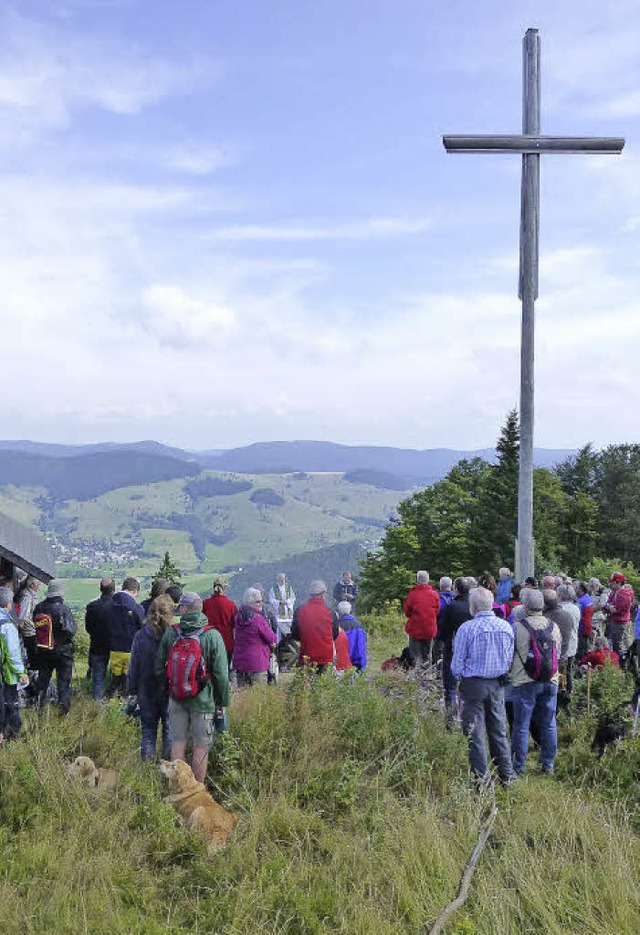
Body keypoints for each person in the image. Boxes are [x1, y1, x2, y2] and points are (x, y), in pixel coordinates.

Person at [155, 593, 229, 783]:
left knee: (177, 744)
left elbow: (158, 667)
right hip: (203, 702)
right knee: (200, 747)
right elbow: (221, 674)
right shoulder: (212, 635)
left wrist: (168, 689)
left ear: (185, 609)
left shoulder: (171, 633)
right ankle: (196, 790)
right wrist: (221, 702)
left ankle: (176, 787)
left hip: (176, 698)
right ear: (200, 609)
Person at [451, 586, 515, 787]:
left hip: (473, 685)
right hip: (498, 684)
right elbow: (509, 659)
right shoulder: (505, 627)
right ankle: (507, 777)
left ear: (474, 606)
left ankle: (482, 781)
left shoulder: (467, 629)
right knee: (498, 731)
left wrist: (460, 675)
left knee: (475, 733)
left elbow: (456, 665)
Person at [509, 588, 561, 775]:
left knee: (521, 726)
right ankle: (548, 765)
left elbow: (510, 656)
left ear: (525, 606)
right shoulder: (553, 626)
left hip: (524, 681)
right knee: (549, 723)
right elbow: (558, 654)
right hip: (550, 680)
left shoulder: (517, 627)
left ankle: (519, 767)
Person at [127, 594, 174, 760]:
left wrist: (132, 690)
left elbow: (134, 666)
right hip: (170, 691)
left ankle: (147, 770)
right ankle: (167, 767)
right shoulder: (174, 637)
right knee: (169, 731)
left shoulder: (140, 636)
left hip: (146, 690)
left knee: (148, 731)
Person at [33, 579, 77, 714]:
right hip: (62, 650)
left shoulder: (39, 607)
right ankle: (63, 711)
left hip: (44, 648)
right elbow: (71, 630)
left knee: (43, 680)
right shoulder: (63, 609)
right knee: (63, 682)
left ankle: (38, 707)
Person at [437, 576, 475, 714]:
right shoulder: (474, 607)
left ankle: (451, 717)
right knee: (468, 684)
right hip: (472, 651)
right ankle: (467, 715)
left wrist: (443, 641)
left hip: (452, 648)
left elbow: (443, 631)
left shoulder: (451, 607)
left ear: (456, 590)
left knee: (451, 687)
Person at [105, 578, 145, 696]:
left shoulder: (109, 605)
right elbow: (142, 627)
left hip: (114, 649)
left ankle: (110, 699)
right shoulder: (136, 607)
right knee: (128, 679)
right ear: (135, 590)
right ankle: (125, 703)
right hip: (130, 648)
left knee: (115, 677)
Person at [291, 580, 338, 672]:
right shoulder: (330, 612)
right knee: (324, 683)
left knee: (307, 683)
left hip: (307, 654)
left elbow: (295, 634)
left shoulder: (300, 611)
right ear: (323, 595)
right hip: (326, 656)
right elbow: (335, 634)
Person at [233, 588, 277, 686]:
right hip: (257, 663)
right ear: (249, 602)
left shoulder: (238, 617)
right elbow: (272, 638)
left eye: (262, 601)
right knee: (258, 697)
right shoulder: (258, 619)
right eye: (258, 602)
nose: (261, 604)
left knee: (243, 697)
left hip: (240, 662)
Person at [0, 587, 28, 739]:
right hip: (6, 672)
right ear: (8, 605)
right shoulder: (7, 625)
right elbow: (12, 653)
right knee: (9, 701)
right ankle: (11, 733)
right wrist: (21, 672)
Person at [85, 577, 115, 701]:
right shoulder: (118, 606)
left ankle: (97, 703)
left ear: (100, 589)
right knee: (117, 676)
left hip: (97, 645)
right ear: (113, 589)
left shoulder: (92, 606)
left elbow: (88, 628)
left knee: (98, 676)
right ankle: (114, 700)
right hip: (115, 646)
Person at [403, 571, 440, 667]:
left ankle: (417, 673)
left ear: (417, 580)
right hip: (430, 628)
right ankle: (428, 673)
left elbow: (407, 611)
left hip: (415, 628)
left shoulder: (413, 594)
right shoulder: (435, 594)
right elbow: (437, 611)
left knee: (415, 654)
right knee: (427, 654)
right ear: (428, 580)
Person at [543, 589, 575, 699]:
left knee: (548, 693)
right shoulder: (567, 615)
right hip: (563, 657)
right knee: (560, 687)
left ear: (545, 605)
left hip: (549, 660)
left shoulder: (545, 619)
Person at [202, 576, 237, 671]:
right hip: (226, 642)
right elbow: (234, 624)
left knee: (209, 670)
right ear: (225, 588)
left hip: (209, 641)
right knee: (224, 670)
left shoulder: (205, 603)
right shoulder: (231, 605)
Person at [605, 573, 634, 666]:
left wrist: (610, 608)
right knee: (615, 643)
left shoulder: (624, 594)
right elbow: (608, 603)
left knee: (619, 644)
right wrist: (609, 607)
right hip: (615, 620)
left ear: (618, 582)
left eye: (613, 583)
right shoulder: (615, 591)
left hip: (620, 622)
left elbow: (619, 610)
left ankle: (623, 664)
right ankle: (620, 662)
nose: (611, 585)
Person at [14, 575, 42, 670]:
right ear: (33, 584)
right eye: (38, 583)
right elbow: (23, 616)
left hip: (29, 629)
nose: (40, 585)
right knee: (33, 654)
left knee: (32, 653)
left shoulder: (28, 594)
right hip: (29, 631)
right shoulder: (27, 597)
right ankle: (33, 675)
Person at [557, 583, 580, 694]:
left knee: (561, 671)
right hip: (573, 642)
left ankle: (563, 692)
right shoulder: (576, 608)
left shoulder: (561, 609)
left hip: (564, 644)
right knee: (569, 669)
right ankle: (569, 691)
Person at [336, 601, 367, 671]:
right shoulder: (358, 624)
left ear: (339, 611)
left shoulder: (337, 625)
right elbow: (362, 646)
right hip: (357, 662)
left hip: (343, 663)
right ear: (350, 610)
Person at [575, 581, 594, 658]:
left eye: (577, 588)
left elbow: (578, 615)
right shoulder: (587, 597)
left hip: (582, 628)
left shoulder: (581, 601)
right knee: (585, 647)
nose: (575, 589)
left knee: (581, 649)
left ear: (581, 590)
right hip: (586, 626)